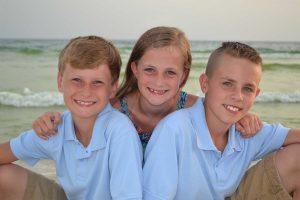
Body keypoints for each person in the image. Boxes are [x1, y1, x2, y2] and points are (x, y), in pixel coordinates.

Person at [33, 27, 262, 151]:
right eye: (150, 70)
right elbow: (82, 111)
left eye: (170, 72)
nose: (159, 82)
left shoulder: (195, 109)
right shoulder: (114, 109)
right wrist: (52, 119)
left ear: (183, 74)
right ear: (135, 68)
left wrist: (244, 118)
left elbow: (225, 109)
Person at [142, 42, 300, 200]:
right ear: (205, 83)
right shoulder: (174, 130)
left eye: (247, 89)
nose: (238, 96)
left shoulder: (246, 131)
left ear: (256, 94)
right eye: (227, 84)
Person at [0, 36, 143, 200]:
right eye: (77, 80)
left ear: (112, 89)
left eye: (97, 82)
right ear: (60, 81)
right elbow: (5, 152)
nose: (86, 91)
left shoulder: (119, 132)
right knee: (4, 176)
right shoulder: (56, 128)